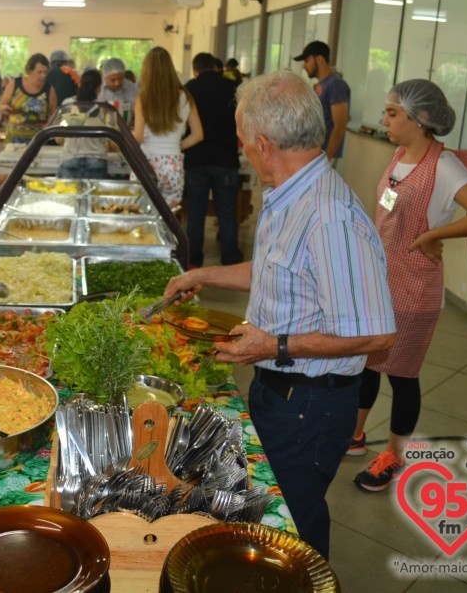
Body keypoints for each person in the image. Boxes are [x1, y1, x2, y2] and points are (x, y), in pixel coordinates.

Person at [164, 71, 396, 559]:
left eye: (243, 141)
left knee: (294, 521)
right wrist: (203, 275)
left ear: (264, 145)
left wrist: (272, 345)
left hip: (311, 404)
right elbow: (276, 271)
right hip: (278, 387)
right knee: (274, 514)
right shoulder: (290, 194)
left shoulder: (330, 216)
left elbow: (377, 335)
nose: (243, 149)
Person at [350, 80, 467, 491]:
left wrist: (436, 235)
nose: (384, 120)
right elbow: (386, 209)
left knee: (402, 373)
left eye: (392, 113)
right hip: (379, 279)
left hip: (415, 286)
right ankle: (356, 433)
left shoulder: (445, 166)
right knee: (367, 361)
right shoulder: (398, 156)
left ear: (421, 119)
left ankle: (393, 455)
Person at [183, 52, 242, 267]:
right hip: (226, 158)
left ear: (195, 70)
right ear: (216, 68)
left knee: (196, 213)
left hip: (196, 157)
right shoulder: (232, 88)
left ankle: (194, 261)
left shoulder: (189, 88)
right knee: (226, 213)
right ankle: (230, 260)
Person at [132, 46, 203, 209]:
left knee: (142, 212)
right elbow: (198, 135)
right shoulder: (186, 96)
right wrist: (176, 145)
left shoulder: (143, 98)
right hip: (173, 163)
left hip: (146, 161)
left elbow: (138, 137)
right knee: (168, 217)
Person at [294, 41, 349, 164]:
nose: (304, 66)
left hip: (324, 155)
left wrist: (326, 159)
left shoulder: (335, 84)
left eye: (307, 60)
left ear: (319, 59)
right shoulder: (322, 85)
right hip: (315, 153)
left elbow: (339, 125)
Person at [57, 68, 112, 179]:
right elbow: (112, 142)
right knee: (93, 196)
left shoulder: (68, 105)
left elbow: (59, 139)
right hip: (97, 160)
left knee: (69, 196)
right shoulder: (104, 108)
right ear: (99, 88)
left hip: (70, 159)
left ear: (79, 84)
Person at [0, 53, 58, 144]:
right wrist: (4, 108)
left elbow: (54, 115)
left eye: (45, 72)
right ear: (29, 71)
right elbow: (2, 105)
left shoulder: (49, 90)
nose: (43, 76)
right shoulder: (15, 84)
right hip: (13, 139)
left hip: (38, 140)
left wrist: (48, 125)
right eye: (39, 72)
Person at [99, 57, 139, 123]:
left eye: (120, 79)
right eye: (113, 80)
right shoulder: (99, 90)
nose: (117, 83)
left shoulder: (133, 89)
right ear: (105, 77)